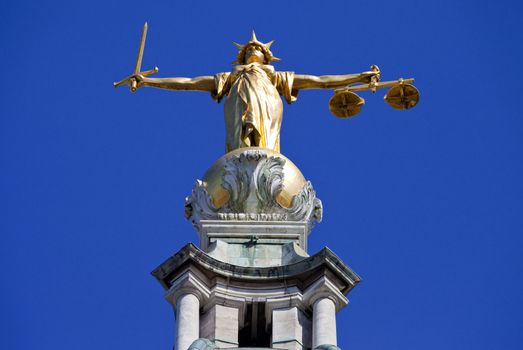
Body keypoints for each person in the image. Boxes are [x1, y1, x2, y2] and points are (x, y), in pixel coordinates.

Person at [130, 32, 379, 152]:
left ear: (267, 57)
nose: (253, 49)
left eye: (257, 48)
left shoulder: (274, 76)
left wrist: (358, 76)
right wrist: (150, 82)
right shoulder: (232, 77)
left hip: (268, 103)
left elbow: (319, 80)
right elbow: (190, 82)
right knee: (240, 143)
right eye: (249, 48)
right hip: (238, 103)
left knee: (266, 146)